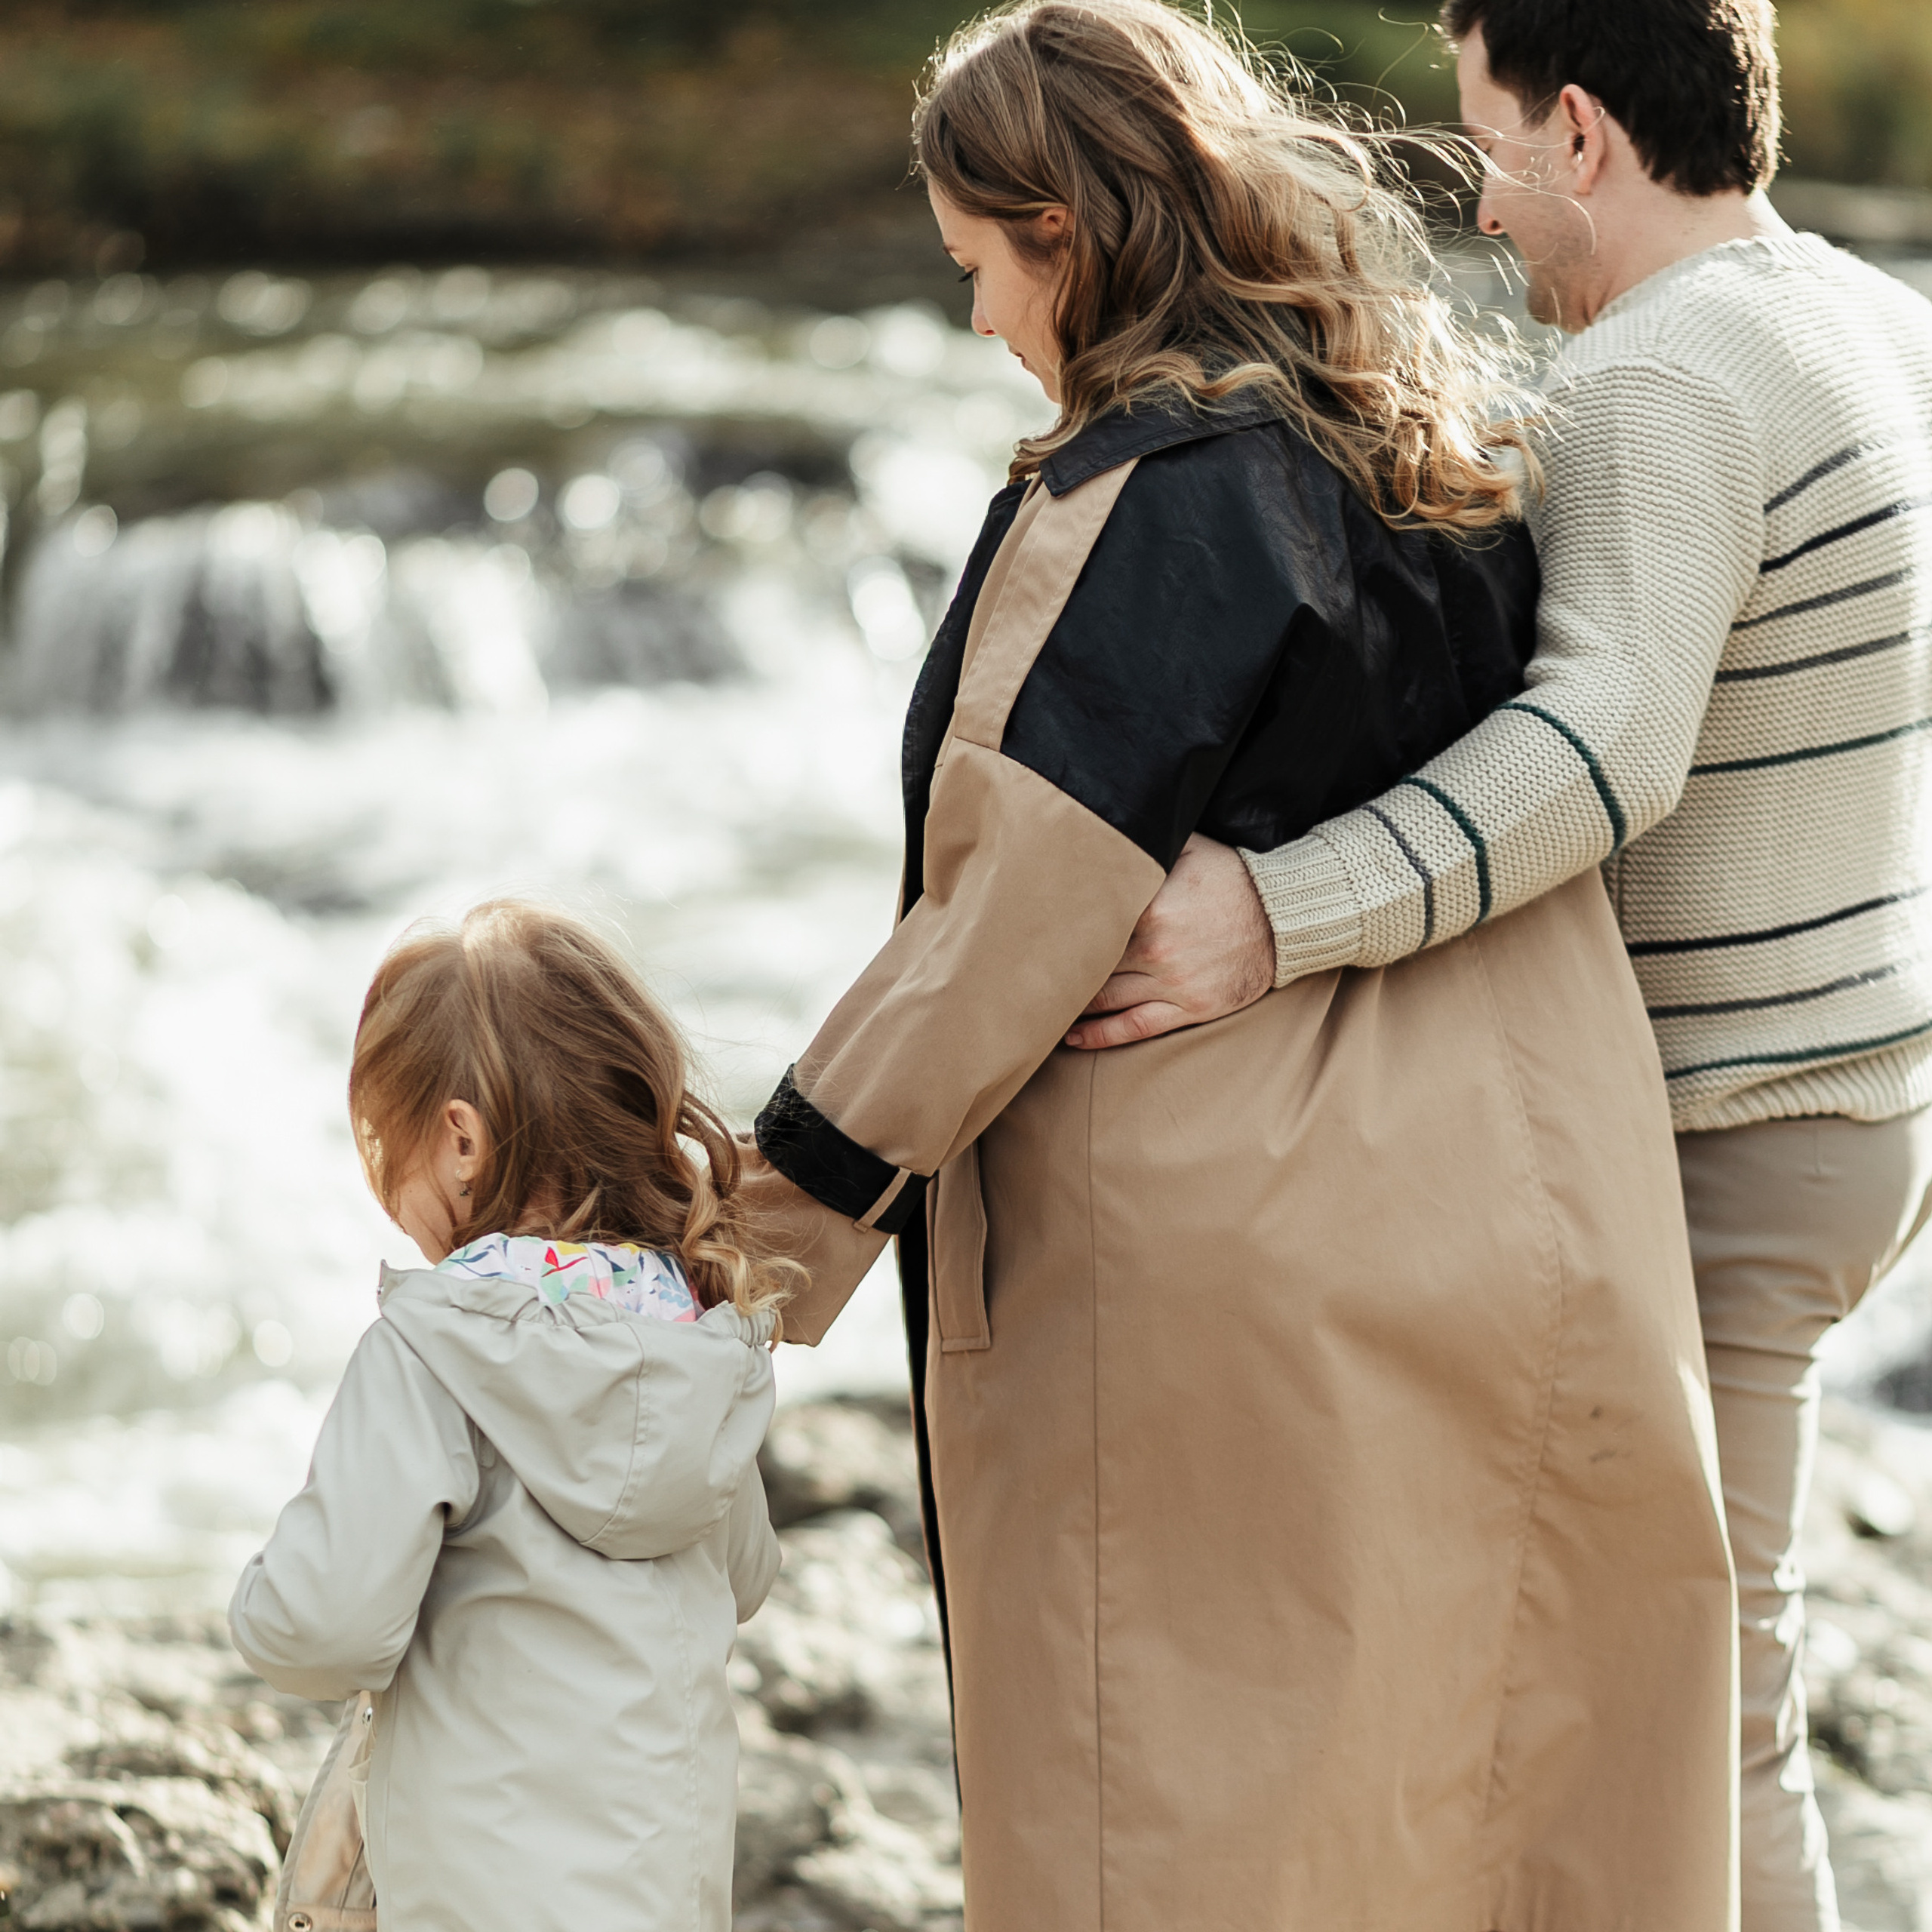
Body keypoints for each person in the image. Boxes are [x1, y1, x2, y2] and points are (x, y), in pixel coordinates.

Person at [742, 3, 1737, 1925]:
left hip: (1217, 1260)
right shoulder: (1424, 438)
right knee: (1479, 1787)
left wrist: (753, 1243)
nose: (977, 328)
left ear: (1068, 230)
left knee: (1186, 1810)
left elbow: (1005, 924)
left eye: (978, 269)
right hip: (1517, 1195)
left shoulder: (1140, 499)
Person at [1068, 3, 1932, 1927]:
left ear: (1577, 133)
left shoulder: (1657, 376)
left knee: (1696, 1713)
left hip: (1718, 1126)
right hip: (1854, 1098)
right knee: (1661, 1676)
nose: (1481, 207)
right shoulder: (1869, 321)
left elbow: (1600, 746)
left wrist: (1263, 918)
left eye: (1480, 149)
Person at [229, 900, 788, 1932]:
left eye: (377, 1143)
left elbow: (323, 1624)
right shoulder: (694, 1332)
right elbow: (747, 1574)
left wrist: (256, 1604)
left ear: (458, 1142)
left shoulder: (437, 1343)